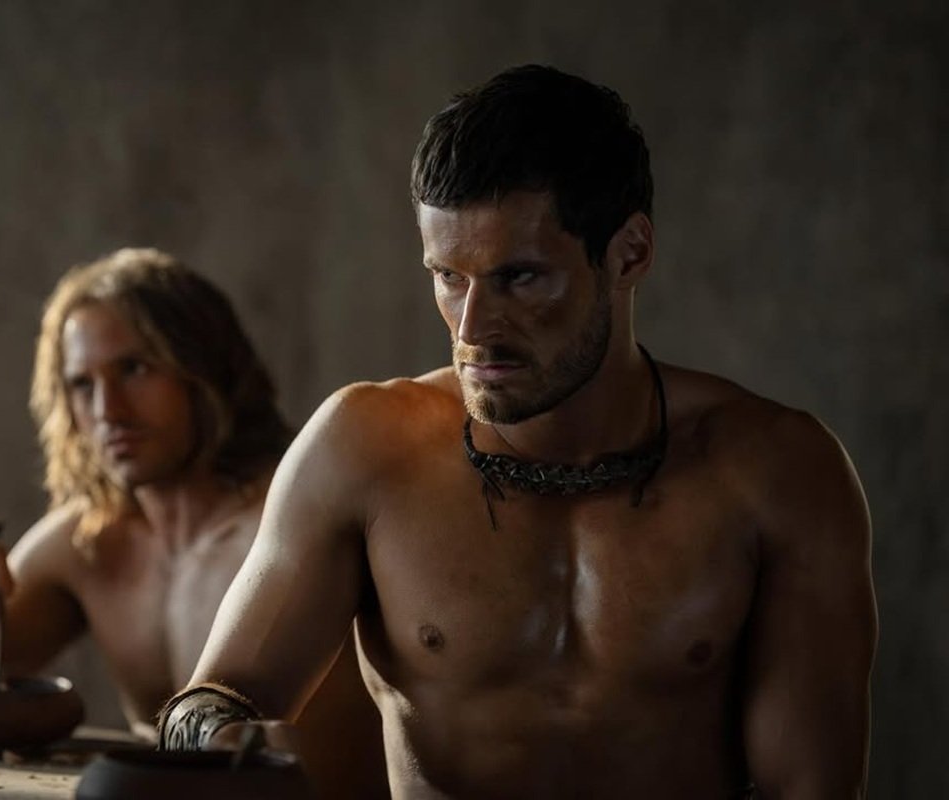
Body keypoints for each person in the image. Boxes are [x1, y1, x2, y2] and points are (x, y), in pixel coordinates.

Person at [158, 65, 879, 799]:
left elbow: (812, 789)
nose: (473, 329)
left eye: (520, 278)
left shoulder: (777, 470)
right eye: (449, 277)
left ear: (629, 253)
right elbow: (213, 697)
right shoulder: (363, 448)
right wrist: (214, 734)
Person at [0, 247, 389, 799]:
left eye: (135, 369)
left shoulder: (309, 524)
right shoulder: (90, 542)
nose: (108, 409)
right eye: (82, 384)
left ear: (206, 369)